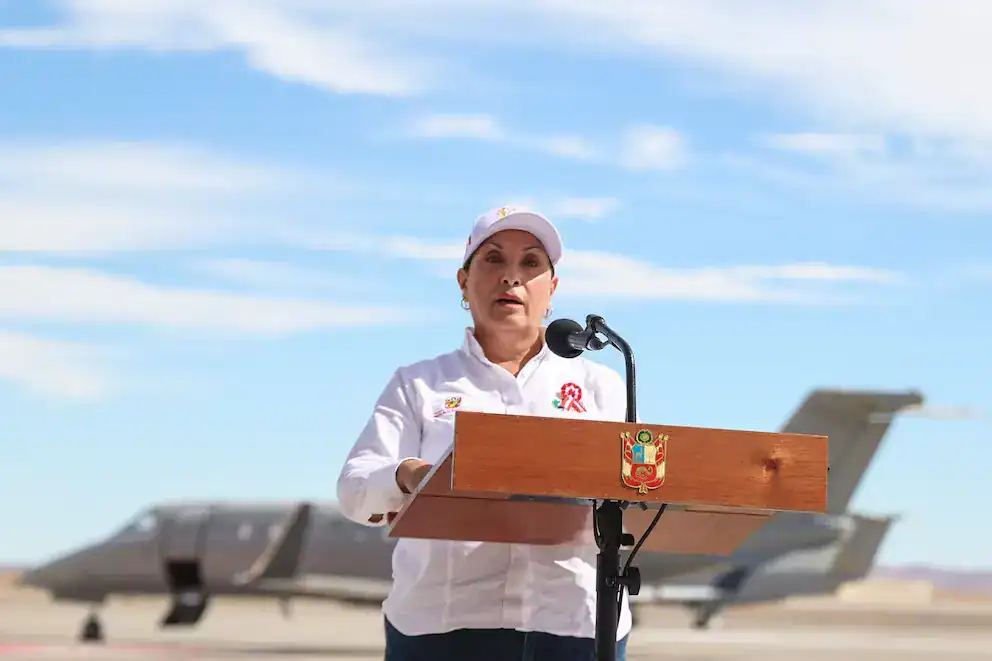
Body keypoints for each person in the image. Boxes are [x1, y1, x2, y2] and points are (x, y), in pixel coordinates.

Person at [335, 204, 632, 661]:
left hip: (574, 627)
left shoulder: (602, 387)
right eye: (493, 259)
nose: (511, 277)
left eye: (531, 263)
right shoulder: (417, 384)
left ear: (551, 290)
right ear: (463, 282)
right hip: (443, 630)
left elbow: (632, 498)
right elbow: (355, 489)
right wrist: (408, 476)